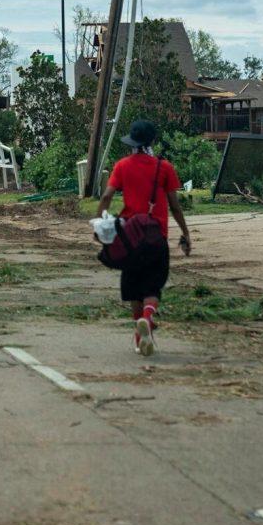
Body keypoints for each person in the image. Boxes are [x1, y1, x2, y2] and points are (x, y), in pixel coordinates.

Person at [95, 119, 192, 356]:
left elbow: (107, 196)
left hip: (130, 238)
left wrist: (99, 224)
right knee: (152, 287)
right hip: (156, 237)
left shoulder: (122, 165)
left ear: (132, 141)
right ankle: (147, 320)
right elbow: (175, 207)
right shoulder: (164, 167)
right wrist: (185, 234)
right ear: (151, 141)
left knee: (133, 289)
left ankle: (140, 338)